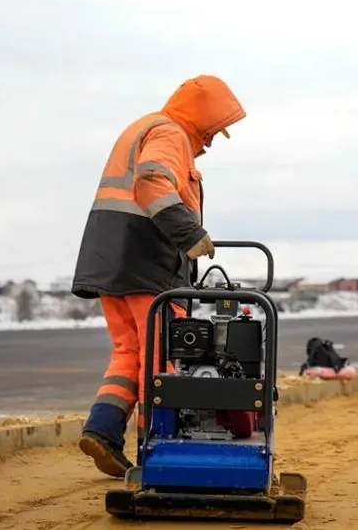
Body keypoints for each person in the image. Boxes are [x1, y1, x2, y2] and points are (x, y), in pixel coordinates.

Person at [70, 75, 246, 477]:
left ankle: (103, 430)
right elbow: (151, 181)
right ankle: (157, 449)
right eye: (216, 129)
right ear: (201, 116)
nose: (214, 139)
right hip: (146, 265)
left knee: (129, 353)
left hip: (112, 262)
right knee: (163, 358)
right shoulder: (171, 134)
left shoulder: (145, 126)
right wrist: (190, 233)